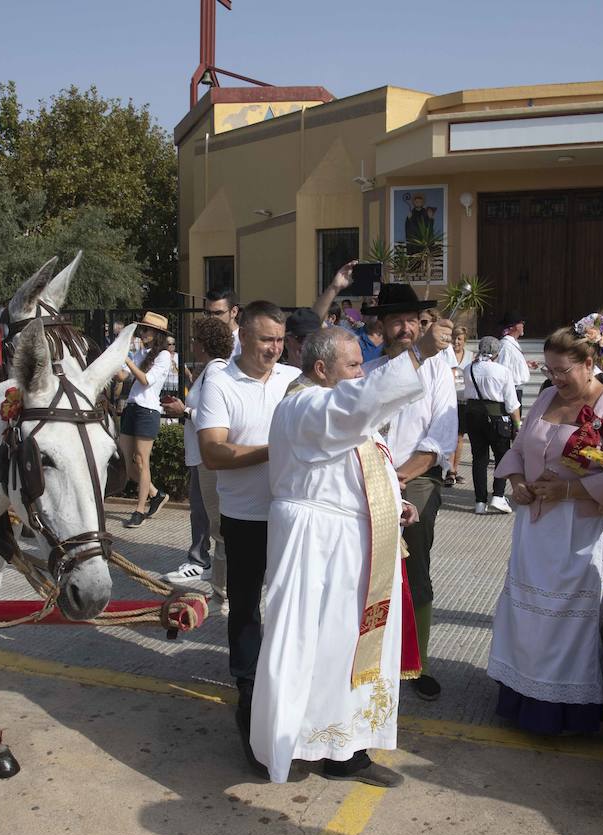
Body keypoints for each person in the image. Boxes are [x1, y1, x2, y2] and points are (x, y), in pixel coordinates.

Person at [250, 328, 426, 787]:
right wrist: (417, 356)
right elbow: (356, 408)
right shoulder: (305, 405)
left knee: (349, 646)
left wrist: (394, 501)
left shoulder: (333, 410)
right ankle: (306, 743)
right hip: (318, 548)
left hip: (352, 545)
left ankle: (345, 745)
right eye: (353, 365)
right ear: (322, 368)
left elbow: (362, 462)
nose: (361, 373)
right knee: (321, 648)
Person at [490, 327, 603, 735]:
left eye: (564, 371)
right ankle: (522, 696)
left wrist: (568, 489)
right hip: (535, 528)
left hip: (583, 529)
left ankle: (564, 711)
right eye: (550, 369)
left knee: (568, 620)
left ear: (589, 364)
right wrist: (515, 482)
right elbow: (519, 446)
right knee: (527, 615)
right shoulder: (545, 397)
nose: (556, 379)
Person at [196, 301, 301, 771]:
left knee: (289, 603)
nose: (273, 350)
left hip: (293, 515)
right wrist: (272, 451)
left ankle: (286, 685)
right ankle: (248, 689)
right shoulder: (218, 383)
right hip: (244, 517)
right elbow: (213, 453)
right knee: (244, 605)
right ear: (243, 336)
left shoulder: (293, 379)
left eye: (279, 340)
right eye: (265, 341)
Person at [361, 284, 457, 701]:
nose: (405, 328)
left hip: (414, 477)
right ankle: (369, 651)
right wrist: (377, 477)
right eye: (396, 320)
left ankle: (415, 661)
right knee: (366, 563)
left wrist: (397, 478)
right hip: (371, 475)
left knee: (412, 552)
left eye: (412, 320)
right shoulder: (366, 371)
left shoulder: (437, 369)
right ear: (381, 326)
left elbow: (441, 436)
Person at [162, 317, 236, 595]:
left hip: (206, 456)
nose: (191, 343)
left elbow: (211, 416)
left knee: (211, 517)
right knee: (206, 515)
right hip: (202, 455)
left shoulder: (215, 373)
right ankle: (214, 572)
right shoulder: (213, 371)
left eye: (194, 339)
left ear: (203, 344)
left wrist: (183, 410)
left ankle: (212, 572)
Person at [117, 312, 173, 529]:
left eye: (146, 329)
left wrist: (127, 359)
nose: (143, 333)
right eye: (142, 329)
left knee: (141, 460)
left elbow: (145, 379)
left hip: (147, 411)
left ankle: (140, 509)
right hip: (132, 408)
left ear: (157, 333)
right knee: (126, 462)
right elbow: (122, 376)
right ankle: (156, 494)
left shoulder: (164, 356)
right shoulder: (142, 352)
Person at [464, 337, 519, 515]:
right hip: (496, 417)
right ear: (497, 353)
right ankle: (498, 496)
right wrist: (517, 424)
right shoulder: (502, 371)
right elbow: (511, 403)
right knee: (502, 456)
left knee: (479, 458)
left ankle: (480, 501)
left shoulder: (468, 369)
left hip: (473, 415)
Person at [446, 326, 474, 486]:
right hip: (448, 400)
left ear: (464, 341)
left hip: (463, 400)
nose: (456, 342)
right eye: (454, 338)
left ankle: (454, 470)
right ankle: (449, 470)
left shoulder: (470, 356)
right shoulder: (445, 354)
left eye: (459, 339)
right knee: (452, 436)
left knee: (459, 437)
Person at [496, 315, 535, 410]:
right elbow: (503, 367)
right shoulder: (506, 345)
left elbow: (512, 363)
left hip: (516, 389)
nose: (523, 325)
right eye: (521, 323)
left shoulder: (512, 344)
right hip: (511, 390)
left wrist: (525, 364)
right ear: (513, 327)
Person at [203, 288, 241, 357]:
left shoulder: (244, 343)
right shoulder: (207, 341)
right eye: (208, 313)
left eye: (218, 313)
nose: (212, 317)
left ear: (234, 312)